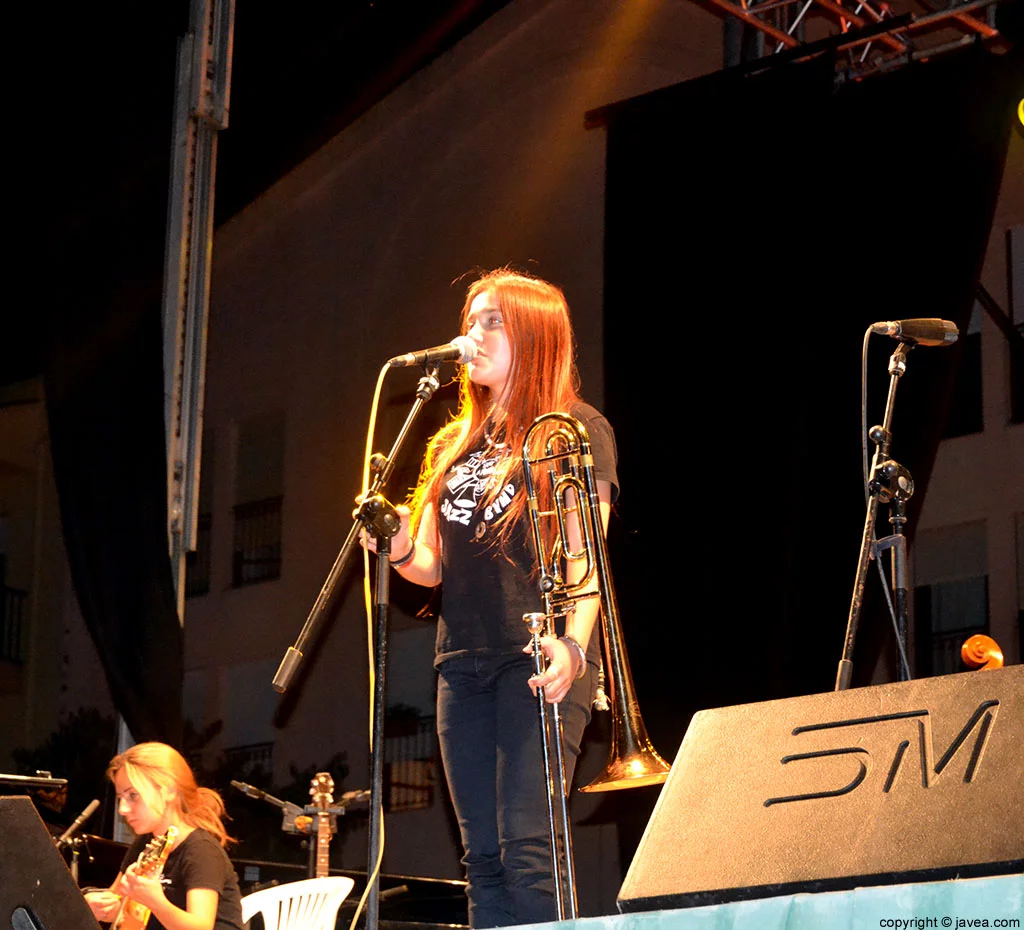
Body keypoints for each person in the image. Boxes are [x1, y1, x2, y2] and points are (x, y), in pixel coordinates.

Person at [366, 268, 617, 927]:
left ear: (532, 336)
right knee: (482, 859)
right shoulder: (452, 443)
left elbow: (586, 550)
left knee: (530, 849)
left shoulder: (575, 428)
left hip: (535, 656)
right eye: (469, 319)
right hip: (462, 665)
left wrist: (574, 644)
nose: (469, 335)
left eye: (489, 321)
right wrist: (390, 540)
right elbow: (427, 566)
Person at [83, 742, 243, 930]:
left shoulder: (201, 850)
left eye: (133, 795)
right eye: (120, 798)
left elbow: (201, 927)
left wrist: (156, 902)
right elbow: (119, 908)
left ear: (169, 791)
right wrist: (98, 907)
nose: (123, 809)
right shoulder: (145, 842)